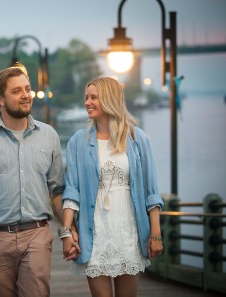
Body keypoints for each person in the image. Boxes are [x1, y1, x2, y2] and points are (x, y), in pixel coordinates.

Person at [0, 63, 77, 297]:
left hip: (37, 236)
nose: (25, 95)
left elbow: (57, 191)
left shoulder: (49, 135)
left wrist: (68, 231)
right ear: (0, 99)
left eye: (27, 89)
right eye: (17, 91)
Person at [60, 76, 164, 297]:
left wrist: (155, 233)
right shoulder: (78, 141)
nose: (87, 102)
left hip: (129, 233)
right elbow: (72, 190)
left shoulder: (137, 139)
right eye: (86, 97)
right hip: (95, 233)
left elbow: (151, 192)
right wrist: (66, 232)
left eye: (94, 97)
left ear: (109, 100)